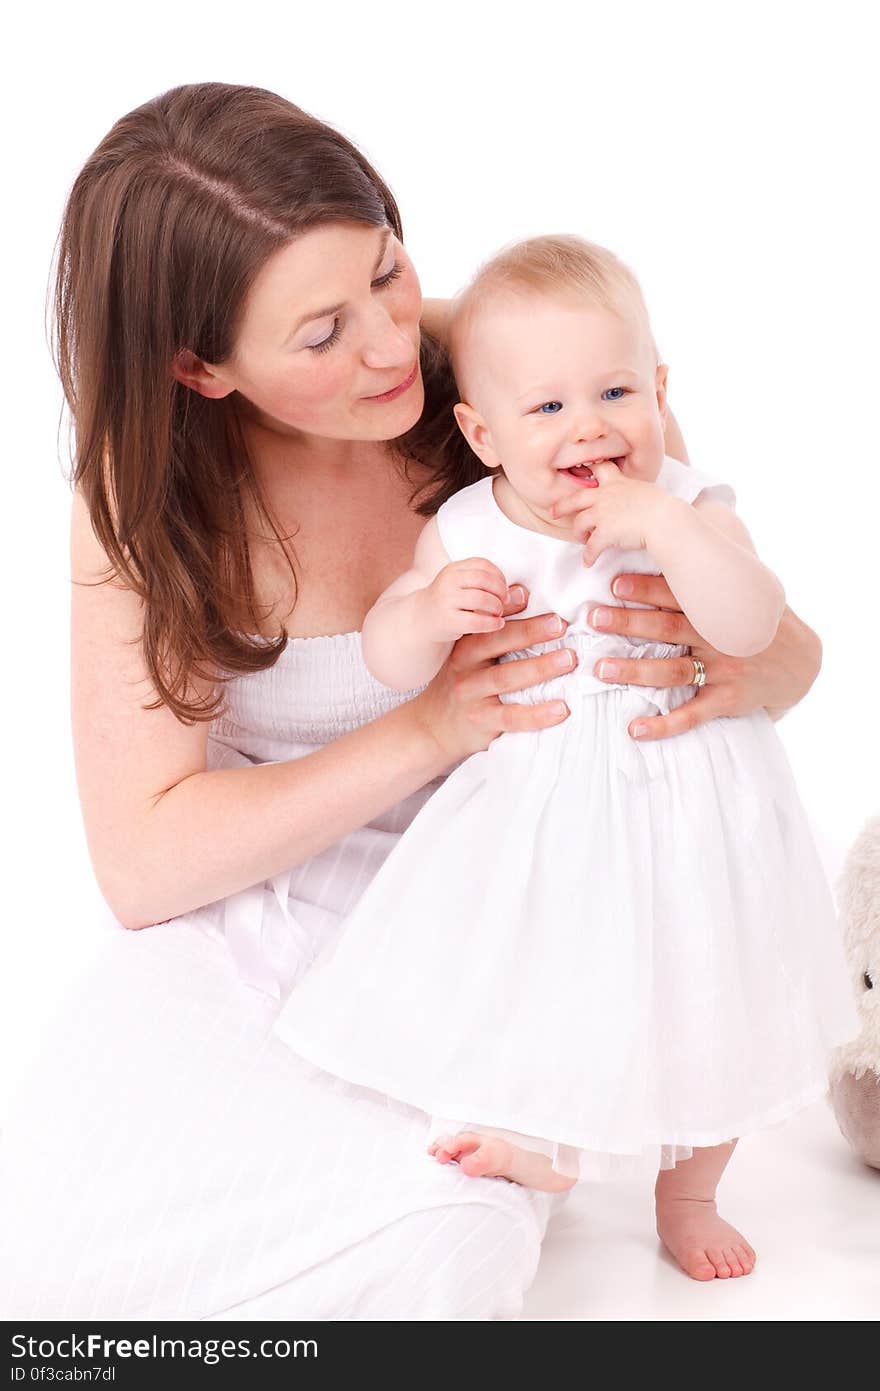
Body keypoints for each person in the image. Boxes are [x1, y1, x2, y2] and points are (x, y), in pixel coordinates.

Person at [0, 87, 827, 1319]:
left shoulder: (524, 368)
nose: (390, 344)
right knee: (58, 1251)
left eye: (386, 270)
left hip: (518, 914)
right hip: (251, 919)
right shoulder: (145, 495)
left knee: (436, 1249)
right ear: (200, 366)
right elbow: (142, 864)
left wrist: (718, 663)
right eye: (321, 333)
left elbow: (786, 651)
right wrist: (430, 725)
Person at [273, 234, 859, 1283]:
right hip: (544, 813)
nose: (587, 425)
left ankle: (689, 1190)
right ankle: (543, 1139)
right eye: (546, 409)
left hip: (694, 812)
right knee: (541, 980)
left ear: (660, 390)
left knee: (704, 994)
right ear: (482, 433)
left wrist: (669, 529)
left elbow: (749, 616)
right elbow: (389, 653)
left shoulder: (690, 499)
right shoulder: (468, 527)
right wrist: (425, 614)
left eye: (615, 390)